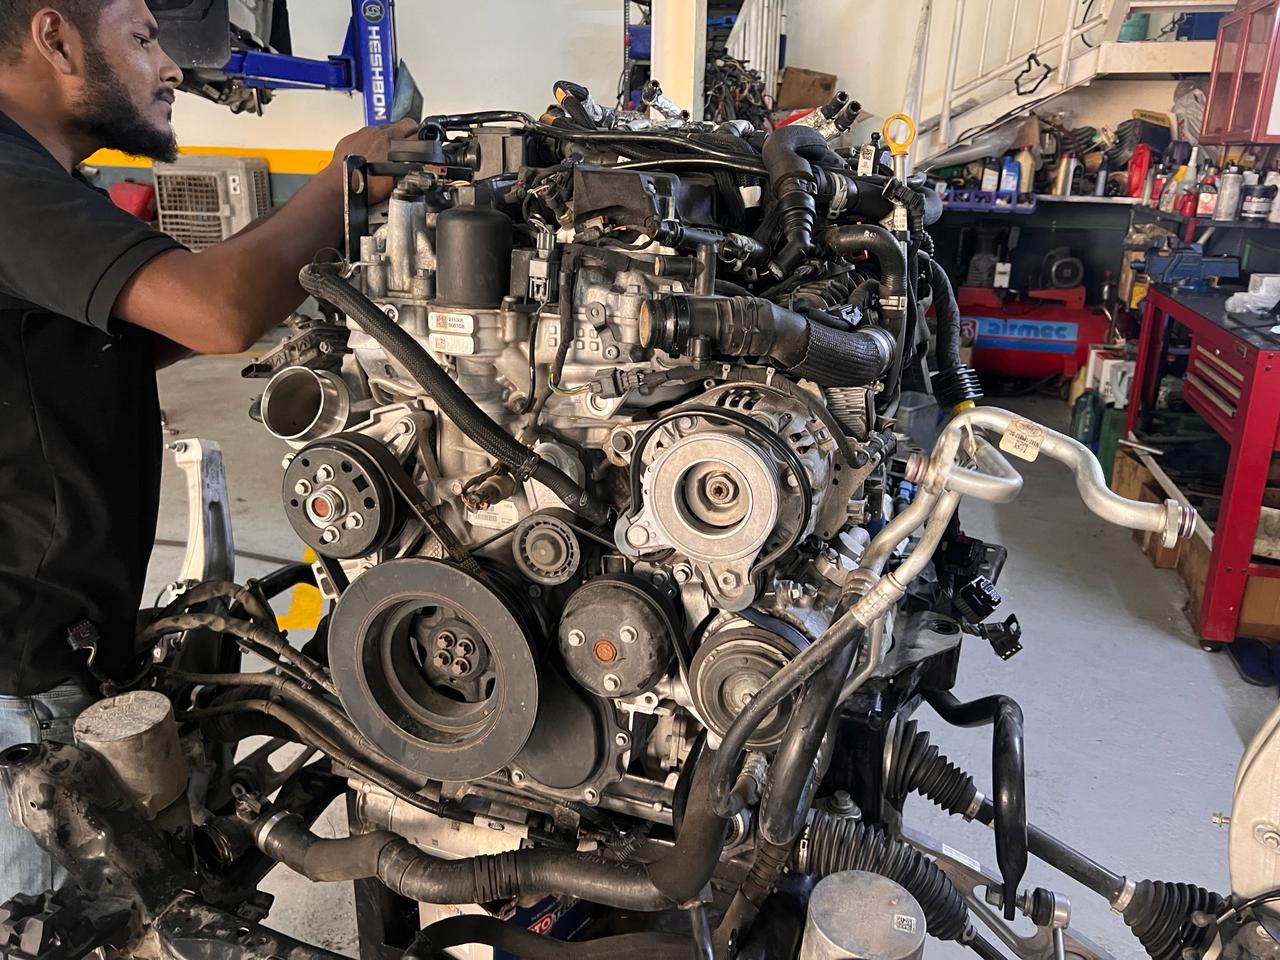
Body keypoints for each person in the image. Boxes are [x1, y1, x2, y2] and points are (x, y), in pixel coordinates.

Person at [0, 0, 415, 900]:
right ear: (55, 38)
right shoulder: (5, 181)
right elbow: (216, 311)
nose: (172, 67)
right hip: (17, 677)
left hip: (60, 633)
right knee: (55, 928)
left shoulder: (44, 180)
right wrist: (343, 181)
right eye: (143, 38)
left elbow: (148, 327)